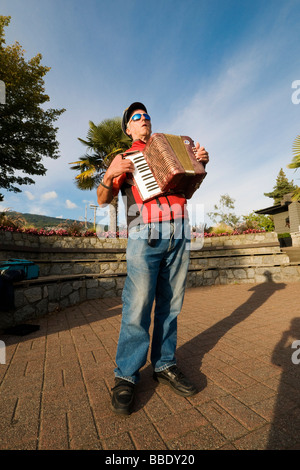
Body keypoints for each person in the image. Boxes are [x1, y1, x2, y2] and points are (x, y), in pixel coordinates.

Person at [97, 102, 209, 415]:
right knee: (138, 305)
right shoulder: (124, 158)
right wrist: (110, 174)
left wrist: (199, 165)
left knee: (172, 305)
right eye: (136, 117)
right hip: (144, 233)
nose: (143, 119)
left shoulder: (172, 149)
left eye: (146, 115)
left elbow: (186, 190)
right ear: (128, 129)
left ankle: (164, 364)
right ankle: (126, 375)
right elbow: (103, 198)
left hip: (179, 231)